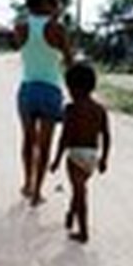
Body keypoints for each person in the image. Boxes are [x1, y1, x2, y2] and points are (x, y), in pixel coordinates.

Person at [13, 0, 73, 206]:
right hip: (50, 90)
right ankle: (37, 192)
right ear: (47, 1)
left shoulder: (20, 26)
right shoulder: (57, 29)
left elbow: (24, 49)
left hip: (27, 89)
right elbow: (68, 61)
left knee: (28, 140)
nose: (59, 4)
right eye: (56, 0)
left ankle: (27, 183)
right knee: (45, 145)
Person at [50, 62, 110, 243]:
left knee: (80, 192)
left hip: (75, 155)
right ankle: (70, 214)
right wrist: (104, 159)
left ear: (71, 87)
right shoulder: (100, 109)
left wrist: (57, 160)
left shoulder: (71, 109)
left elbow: (64, 137)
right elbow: (106, 135)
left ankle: (83, 232)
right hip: (92, 156)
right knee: (80, 189)